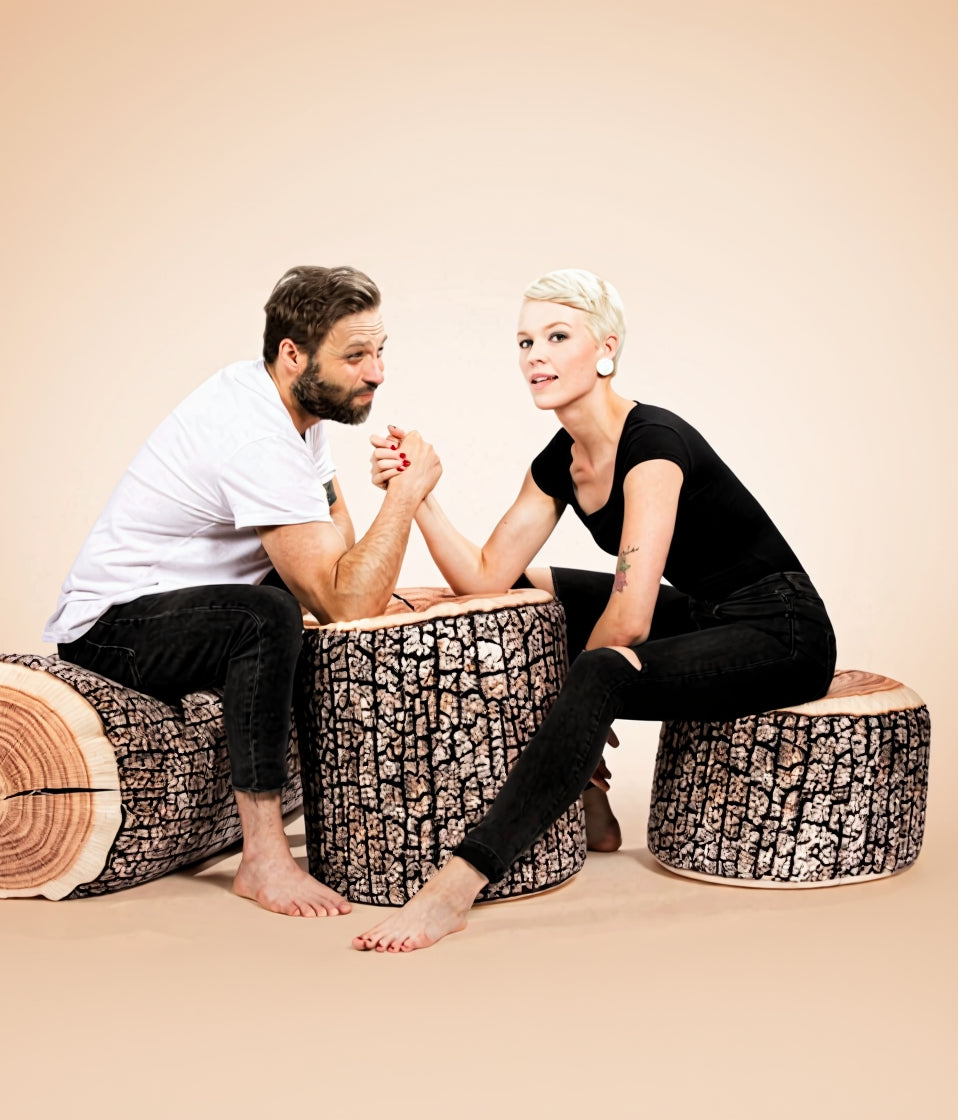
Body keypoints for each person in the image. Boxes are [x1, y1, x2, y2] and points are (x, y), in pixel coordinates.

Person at [354, 268, 836, 952]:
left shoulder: (654, 446)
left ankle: (457, 884)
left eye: (557, 336)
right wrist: (418, 492)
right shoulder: (563, 458)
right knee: (535, 589)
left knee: (600, 670)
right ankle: (591, 804)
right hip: (705, 613)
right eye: (524, 342)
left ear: (606, 349)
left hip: (781, 630)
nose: (535, 357)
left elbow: (632, 617)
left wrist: (578, 700)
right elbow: (489, 577)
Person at [43, 265, 441, 919]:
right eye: (356, 356)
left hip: (179, 608)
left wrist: (354, 560)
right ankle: (262, 858)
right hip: (108, 633)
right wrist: (404, 497)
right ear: (293, 354)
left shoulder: (294, 411)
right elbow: (344, 600)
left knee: (303, 608)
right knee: (267, 615)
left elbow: (335, 551)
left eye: (380, 350)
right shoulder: (256, 435)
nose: (376, 373)